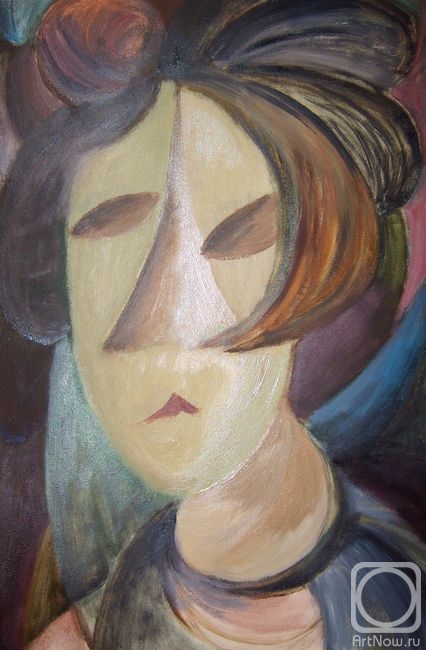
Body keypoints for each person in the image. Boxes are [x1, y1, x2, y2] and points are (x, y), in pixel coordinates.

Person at [0, 1, 424, 648]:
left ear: (314, 259)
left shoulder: (400, 597)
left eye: (239, 234)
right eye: (109, 226)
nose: (163, 315)